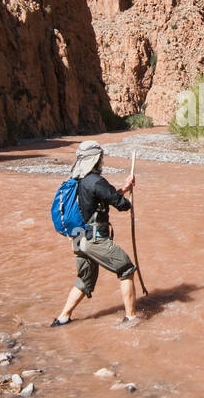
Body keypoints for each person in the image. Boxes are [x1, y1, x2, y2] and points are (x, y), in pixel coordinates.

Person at [51, 140, 139, 327]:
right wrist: (128, 200)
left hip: (78, 240)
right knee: (126, 269)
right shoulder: (96, 181)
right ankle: (131, 318)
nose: (102, 162)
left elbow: (103, 198)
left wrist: (124, 187)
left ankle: (63, 318)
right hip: (95, 240)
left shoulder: (79, 182)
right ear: (96, 160)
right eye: (100, 159)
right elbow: (121, 205)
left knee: (85, 280)